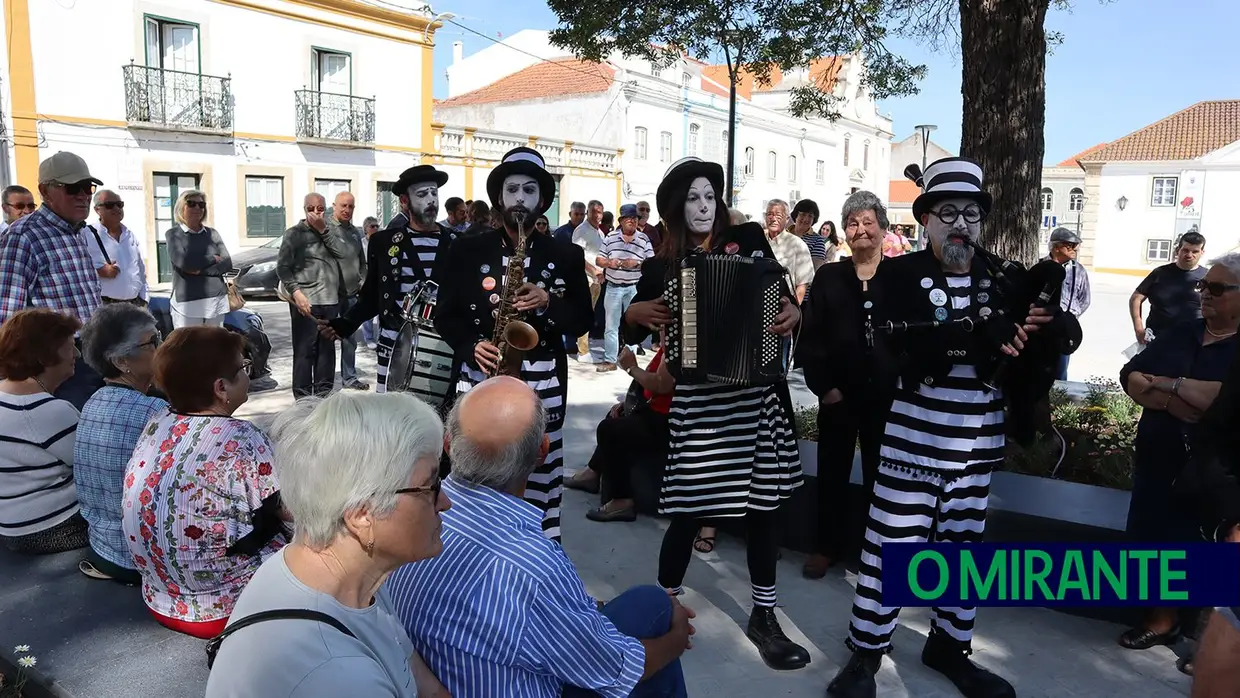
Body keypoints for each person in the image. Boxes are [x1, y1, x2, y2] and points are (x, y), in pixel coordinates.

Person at [827, 157, 1078, 698]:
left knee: (962, 549)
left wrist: (1052, 326)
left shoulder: (1004, 277)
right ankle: (867, 652)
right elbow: (889, 347)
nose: (960, 223)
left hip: (977, 442)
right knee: (891, 547)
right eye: (947, 213)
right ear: (926, 221)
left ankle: (949, 645)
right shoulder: (898, 274)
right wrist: (975, 335)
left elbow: (1045, 339)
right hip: (913, 438)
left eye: (970, 213)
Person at [387, 376, 692, 697]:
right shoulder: (531, 564)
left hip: (442, 676)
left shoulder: (413, 513)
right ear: (543, 450)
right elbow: (617, 669)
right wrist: (677, 637)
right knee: (656, 608)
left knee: (645, 606)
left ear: (448, 443)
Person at [622, 157, 809, 671]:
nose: (703, 207)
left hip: (755, 397)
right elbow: (634, 329)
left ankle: (764, 617)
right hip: (700, 403)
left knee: (763, 513)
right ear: (677, 210)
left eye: (709, 197)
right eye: (692, 199)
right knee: (686, 510)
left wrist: (794, 312)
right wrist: (630, 314)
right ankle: (665, 605)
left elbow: (779, 295)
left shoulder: (748, 238)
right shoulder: (662, 265)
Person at [203, 391, 450, 698]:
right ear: (362, 516)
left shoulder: (344, 573)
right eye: (431, 485)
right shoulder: (338, 676)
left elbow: (423, 683)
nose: (445, 502)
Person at [434, 147, 593, 542]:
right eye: (512, 190)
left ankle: (541, 549)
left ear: (542, 201)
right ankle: (467, 546)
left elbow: (585, 320)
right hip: (481, 373)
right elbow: (445, 315)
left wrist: (549, 302)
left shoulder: (567, 254)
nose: (520, 198)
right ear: (499, 199)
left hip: (543, 380)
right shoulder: (467, 249)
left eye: (529, 190)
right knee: (474, 466)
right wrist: (471, 345)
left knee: (540, 468)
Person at [123, 326, 287, 639]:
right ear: (221, 387)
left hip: (159, 599)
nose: (248, 374)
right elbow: (291, 508)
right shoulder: (241, 436)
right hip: (225, 609)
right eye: (244, 368)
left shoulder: (158, 420)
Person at [1115, 252, 1240, 655]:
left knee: (1200, 547)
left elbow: (1222, 401)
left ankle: (1198, 635)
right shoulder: (1183, 330)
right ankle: (1161, 619)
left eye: (1217, 289)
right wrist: (1176, 396)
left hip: (1215, 468)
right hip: (1157, 459)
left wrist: (1162, 385)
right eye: (1204, 286)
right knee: (1150, 537)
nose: (1204, 293)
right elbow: (1131, 374)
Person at [797, 191, 898, 579]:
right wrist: (825, 387)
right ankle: (826, 547)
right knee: (832, 473)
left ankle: (878, 554)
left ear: (883, 229)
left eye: (868, 223)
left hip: (885, 398)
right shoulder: (830, 276)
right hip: (839, 395)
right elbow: (811, 336)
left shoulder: (900, 277)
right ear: (844, 232)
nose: (861, 231)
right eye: (853, 224)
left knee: (883, 477)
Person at [323, 166, 459, 396]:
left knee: (439, 419)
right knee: (392, 416)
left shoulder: (458, 244)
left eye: (434, 193)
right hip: (394, 344)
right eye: (422, 194)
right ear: (404, 201)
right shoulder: (383, 243)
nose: (431, 200)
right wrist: (346, 323)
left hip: (442, 346)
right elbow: (373, 296)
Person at [0, 152, 106, 410]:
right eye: (73, 188)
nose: (83, 195)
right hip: (56, 363)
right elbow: (6, 314)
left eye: (87, 187)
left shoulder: (77, 231)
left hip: (93, 355)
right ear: (45, 191)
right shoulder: (23, 236)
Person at [75, 303, 168, 584]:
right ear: (121, 361)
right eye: (153, 342)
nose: (162, 347)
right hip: (142, 558)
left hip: (104, 548)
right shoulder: (153, 412)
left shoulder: (92, 402)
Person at [0, 309, 88, 554]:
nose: (77, 355)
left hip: (9, 526)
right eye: (71, 347)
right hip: (53, 528)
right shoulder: (50, 411)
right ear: (46, 356)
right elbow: (94, 469)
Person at [565, 344, 673, 521]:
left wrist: (632, 367)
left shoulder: (677, 345)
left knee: (610, 430)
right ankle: (592, 472)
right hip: (657, 412)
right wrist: (628, 403)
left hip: (669, 421)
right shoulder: (667, 344)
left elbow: (660, 385)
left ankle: (622, 501)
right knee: (615, 416)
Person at [597, 203, 655, 372]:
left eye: (635, 218)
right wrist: (610, 262)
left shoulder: (644, 239)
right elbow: (599, 259)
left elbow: (651, 263)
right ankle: (610, 360)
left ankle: (631, 361)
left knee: (633, 325)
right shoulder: (610, 238)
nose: (632, 221)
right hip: (613, 287)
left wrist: (636, 263)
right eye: (628, 218)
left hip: (634, 287)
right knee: (611, 326)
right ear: (621, 221)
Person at [165, 189, 232, 328]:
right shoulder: (173, 234)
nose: (197, 208)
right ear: (181, 207)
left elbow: (227, 263)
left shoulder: (212, 233)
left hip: (216, 301)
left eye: (201, 205)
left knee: (214, 347)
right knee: (188, 348)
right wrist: (212, 258)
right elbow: (185, 263)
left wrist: (199, 271)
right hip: (187, 304)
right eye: (191, 203)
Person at [1130, 231, 1207, 345]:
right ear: (1178, 250)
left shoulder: (1208, 277)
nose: (1189, 255)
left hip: (1192, 341)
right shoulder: (1160, 273)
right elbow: (1136, 298)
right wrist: (1138, 329)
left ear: (1202, 252)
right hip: (1157, 339)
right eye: (1185, 250)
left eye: (1195, 251)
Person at [329, 191, 370, 391]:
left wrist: (363, 281)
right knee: (328, 339)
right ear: (334, 206)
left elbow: (362, 261)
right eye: (343, 206)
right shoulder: (326, 230)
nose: (347, 210)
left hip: (352, 294)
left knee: (350, 339)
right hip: (330, 296)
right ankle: (325, 381)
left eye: (350, 206)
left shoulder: (355, 232)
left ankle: (349, 377)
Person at [86, 189, 149, 307]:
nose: (116, 209)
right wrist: (99, 272)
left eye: (120, 205)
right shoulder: (87, 235)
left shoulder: (130, 235)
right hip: (105, 306)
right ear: (97, 210)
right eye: (110, 205)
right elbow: (76, 270)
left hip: (135, 305)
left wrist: (145, 299)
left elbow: (140, 269)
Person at [1047, 227, 1091, 380]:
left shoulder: (1078, 270)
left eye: (1076, 246)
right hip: (1042, 327)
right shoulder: (1041, 267)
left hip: (1064, 328)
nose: (1075, 250)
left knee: (1061, 370)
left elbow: (1085, 300)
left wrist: (1071, 317)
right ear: (1057, 247)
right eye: (1070, 246)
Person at [761, 199, 814, 303]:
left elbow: (802, 285)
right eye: (769, 214)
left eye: (778, 215)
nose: (773, 219)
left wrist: (793, 309)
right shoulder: (757, 240)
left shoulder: (798, 245)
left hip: (783, 304)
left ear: (787, 219)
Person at [791, 199, 828, 271]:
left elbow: (816, 269)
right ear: (796, 215)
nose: (805, 219)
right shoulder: (783, 234)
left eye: (810, 216)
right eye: (803, 214)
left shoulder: (818, 241)